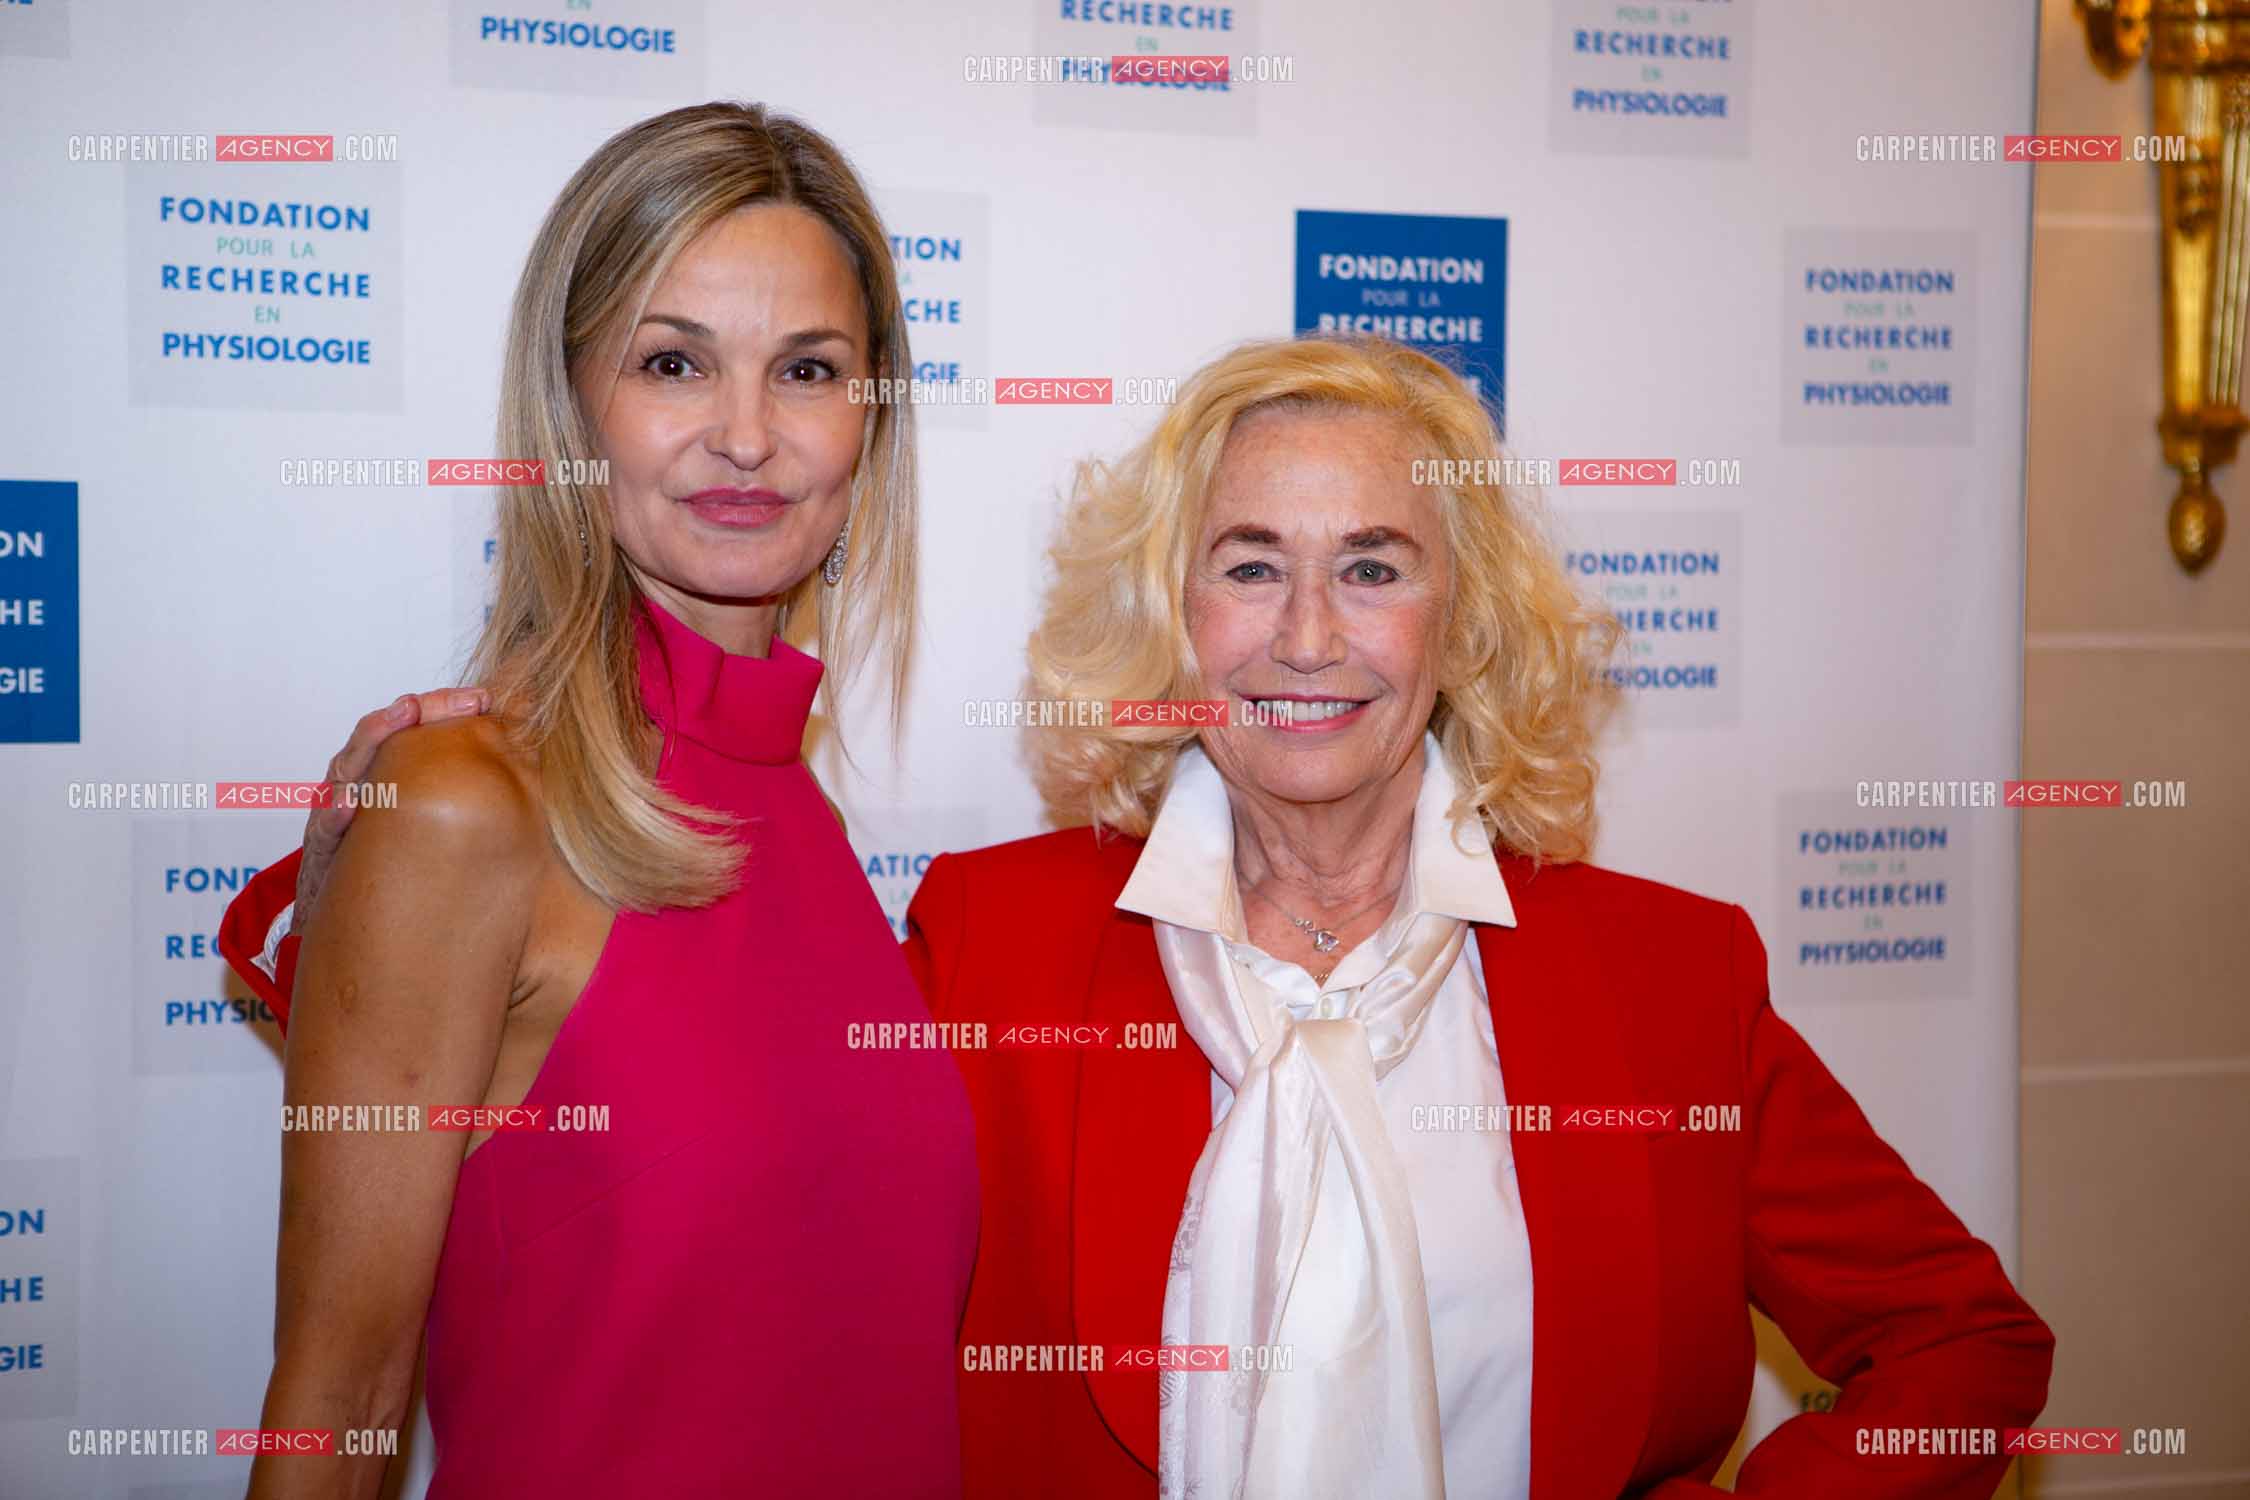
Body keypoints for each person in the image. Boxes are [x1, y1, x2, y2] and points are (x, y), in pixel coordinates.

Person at [225, 336, 2053, 1499]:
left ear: (1464, 621)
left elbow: (1964, 1343)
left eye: (1374, 567)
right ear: (1171, 620)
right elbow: (693, 1106)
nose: (1309, 636)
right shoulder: (990, 944)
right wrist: (404, 845)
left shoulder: (1662, 977)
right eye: (1249, 566)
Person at [231, 101, 976, 1499]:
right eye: (672, 362)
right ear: (569, 406)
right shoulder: (462, 804)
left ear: (870, 419)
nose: (746, 436)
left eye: (808, 370)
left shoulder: (803, 815)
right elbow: (336, 1406)